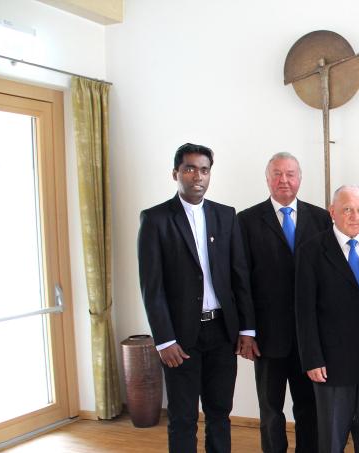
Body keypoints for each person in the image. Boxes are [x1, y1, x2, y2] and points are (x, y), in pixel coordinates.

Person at [137, 143, 256, 453]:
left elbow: (239, 276)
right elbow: (152, 287)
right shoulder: (155, 220)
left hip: (221, 333)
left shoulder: (225, 216)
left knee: (219, 413)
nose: (197, 176)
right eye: (189, 169)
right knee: (183, 417)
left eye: (204, 170)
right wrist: (164, 340)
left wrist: (246, 329)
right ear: (175, 173)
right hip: (180, 338)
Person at [237, 152, 331, 453]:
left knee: (309, 409)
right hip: (267, 336)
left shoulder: (320, 218)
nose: (284, 180)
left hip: (309, 339)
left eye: (290, 174)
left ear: (300, 179)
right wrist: (247, 331)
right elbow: (241, 281)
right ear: (267, 179)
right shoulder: (247, 221)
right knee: (270, 411)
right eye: (277, 174)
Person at [295, 185, 359, 453]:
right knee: (332, 441)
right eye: (347, 209)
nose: (355, 216)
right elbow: (304, 310)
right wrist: (312, 358)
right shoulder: (311, 250)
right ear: (332, 212)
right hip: (331, 366)